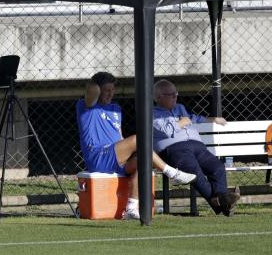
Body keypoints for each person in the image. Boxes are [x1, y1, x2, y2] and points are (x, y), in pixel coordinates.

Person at [76, 72, 197, 220]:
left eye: (112, 90)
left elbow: (119, 136)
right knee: (139, 139)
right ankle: (172, 173)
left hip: (117, 158)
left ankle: (131, 208)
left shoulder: (115, 109)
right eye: (106, 90)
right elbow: (92, 88)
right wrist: (97, 83)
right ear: (99, 90)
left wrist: (131, 152)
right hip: (98, 157)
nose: (110, 94)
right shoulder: (86, 106)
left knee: (144, 158)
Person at [152, 79, 240, 217]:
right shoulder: (153, 113)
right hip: (174, 149)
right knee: (194, 172)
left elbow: (194, 118)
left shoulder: (179, 107)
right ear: (159, 97)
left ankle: (221, 201)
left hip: (197, 146)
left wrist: (212, 120)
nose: (176, 97)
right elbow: (167, 130)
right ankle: (224, 202)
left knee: (217, 167)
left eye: (176, 93)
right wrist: (182, 122)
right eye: (171, 95)